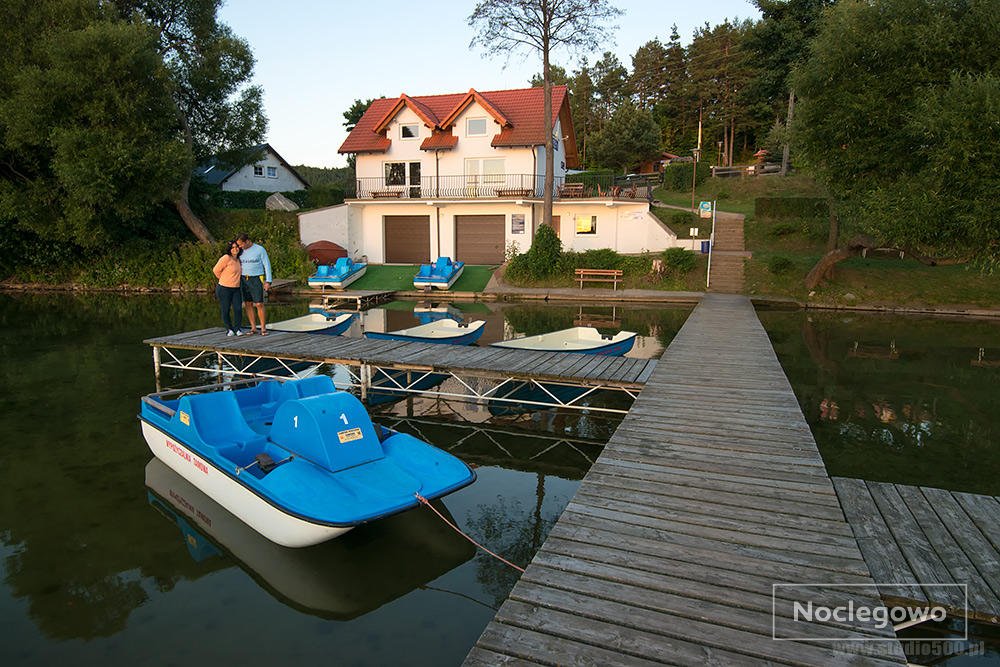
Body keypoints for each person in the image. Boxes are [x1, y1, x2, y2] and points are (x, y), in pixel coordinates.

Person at [236, 233, 272, 335]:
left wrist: (268, 281)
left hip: (256, 278)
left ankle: (263, 328)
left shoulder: (260, 249)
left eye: (241, 244)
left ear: (247, 241)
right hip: (243, 278)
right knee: (248, 303)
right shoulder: (240, 251)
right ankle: (253, 328)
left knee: (259, 303)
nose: (239, 247)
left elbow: (267, 265)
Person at [213, 240, 244, 336]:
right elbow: (216, 270)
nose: (235, 249)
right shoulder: (226, 258)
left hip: (236, 289)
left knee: (238, 309)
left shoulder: (238, 259)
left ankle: (237, 328)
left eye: (236, 247)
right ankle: (229, 329)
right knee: (225, 309)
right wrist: (223, 279)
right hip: (224, 288)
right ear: (230, 249)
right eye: (233, 247)